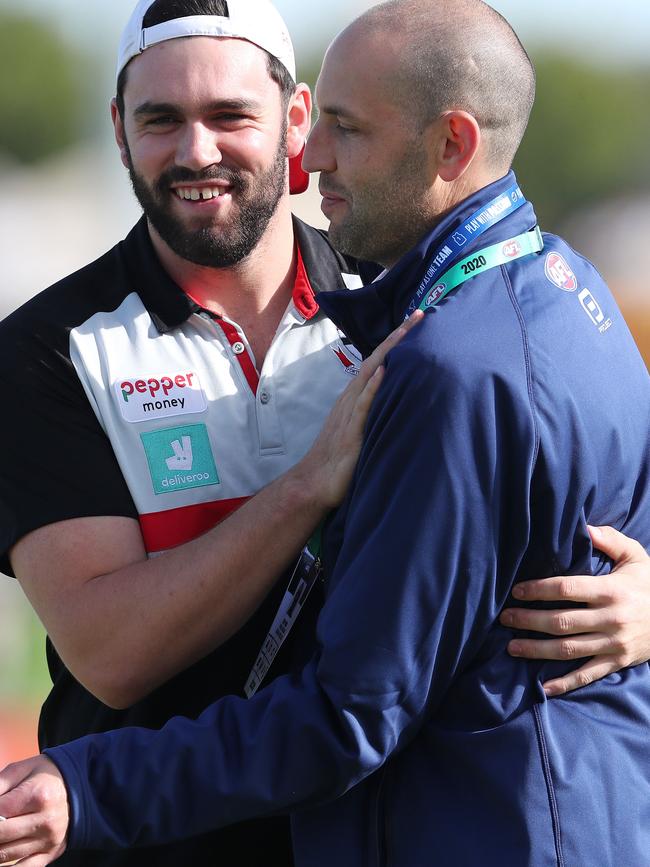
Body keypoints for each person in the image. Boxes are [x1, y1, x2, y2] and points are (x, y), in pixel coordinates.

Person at [0, 0, 649, 864]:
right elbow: (112, 656)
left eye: (231, 115)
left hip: (372, 819)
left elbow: (591, 471)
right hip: (155, 834)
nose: (197, 151)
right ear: (119, 130)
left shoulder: (409, 312)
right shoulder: (47, 348)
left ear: (292, 120)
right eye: (161, 118)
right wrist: (306, 488)